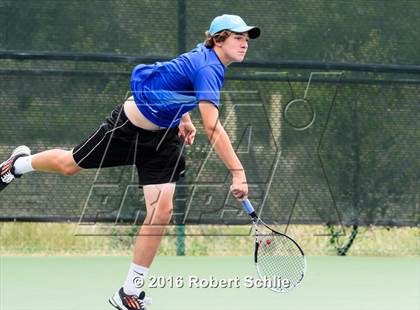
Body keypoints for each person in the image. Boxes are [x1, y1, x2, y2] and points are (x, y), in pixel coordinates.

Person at [0, 14, 260, 310]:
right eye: (238, 37)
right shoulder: (208, 65)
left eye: (246, 39)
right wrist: (238, 172)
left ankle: (129, 292)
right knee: (69, 165)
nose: (244, 44)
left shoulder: (209, 64)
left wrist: (183, 117)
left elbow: (173, 81)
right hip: (126, 129)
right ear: (218, 39)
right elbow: (213, 127)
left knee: (161, 212)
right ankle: (17, 165)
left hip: (163, 140)